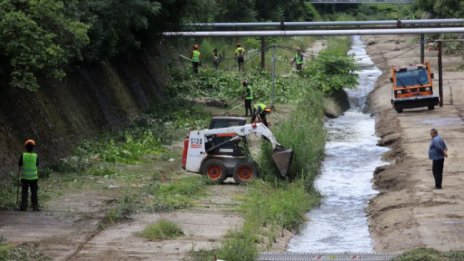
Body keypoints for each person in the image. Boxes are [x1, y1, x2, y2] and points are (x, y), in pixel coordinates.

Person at [19, 139, 40, 211]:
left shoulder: (23, 155)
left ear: (26, 147)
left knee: (24, 192)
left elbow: (20, 164)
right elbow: (37, 164)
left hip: (25, 177)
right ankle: (35, 207)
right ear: (33, 147)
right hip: (34, 178)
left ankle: (23, 207)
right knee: (34, 192)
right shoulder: (35, 156)